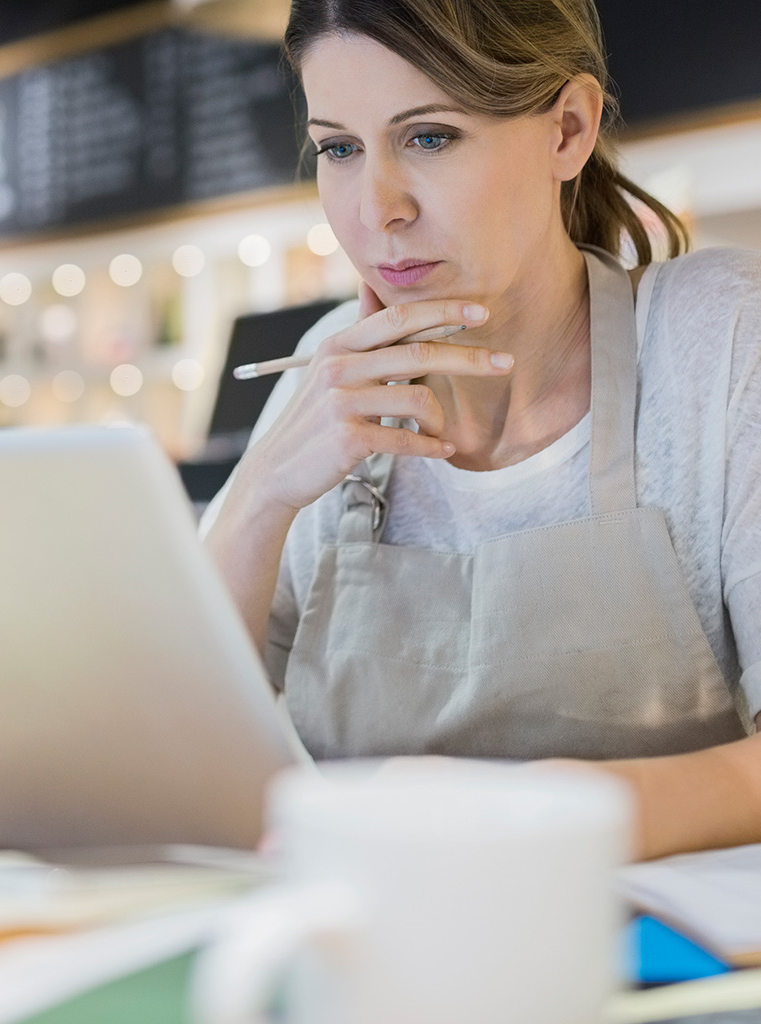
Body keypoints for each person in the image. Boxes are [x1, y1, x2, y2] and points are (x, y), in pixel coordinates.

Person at [202, 0, 761, 861]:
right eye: (339, 149)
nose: (377, 208)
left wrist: (527, 819)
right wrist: (258, 501)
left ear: (566, 131)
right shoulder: (329, 370)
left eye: (428, 137)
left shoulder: (719, 341)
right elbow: (177, 754)